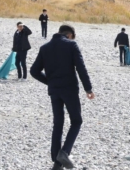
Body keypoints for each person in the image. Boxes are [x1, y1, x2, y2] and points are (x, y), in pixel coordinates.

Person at [30, 25, 95, 170]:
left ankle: (57, 163)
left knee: (58, 123)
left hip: (54, 90)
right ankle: (64, 153)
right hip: (69, 89)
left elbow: (34, 71)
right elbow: (80, 67)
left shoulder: (45, 47)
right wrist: (88, 88)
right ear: (70, 34)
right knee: (76, 121)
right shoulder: (71, 45)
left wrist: (50, 81)